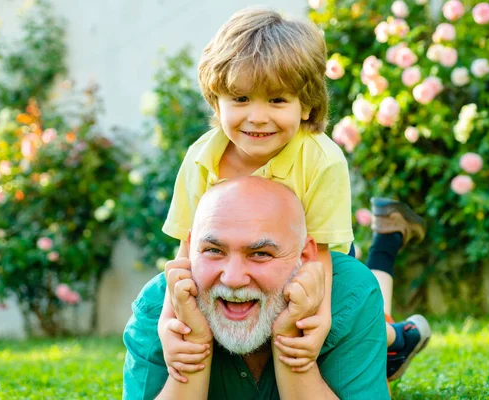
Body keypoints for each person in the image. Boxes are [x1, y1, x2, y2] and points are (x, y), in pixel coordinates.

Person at [156, 6, 429, 384]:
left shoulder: (322, 159)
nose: (257, 116)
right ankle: (389, 251)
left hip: (315, 258)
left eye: (277, 100)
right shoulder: (203, 159)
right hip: (249, 266)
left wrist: (319, 323)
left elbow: (319, 261)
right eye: (240, 99)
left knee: (356, 316)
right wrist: (169, 322)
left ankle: (395, 336)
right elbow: (187, 250)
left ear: (307, 105)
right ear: (215, 98)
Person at [123, 177, 388, 399]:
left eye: (260, 254)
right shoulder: (158, 308)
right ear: (190, 248)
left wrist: (292, 347)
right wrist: (193, 345)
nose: (233, 279)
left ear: (305, 256)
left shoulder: (351, 293)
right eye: (213, 251)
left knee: (387, 332)